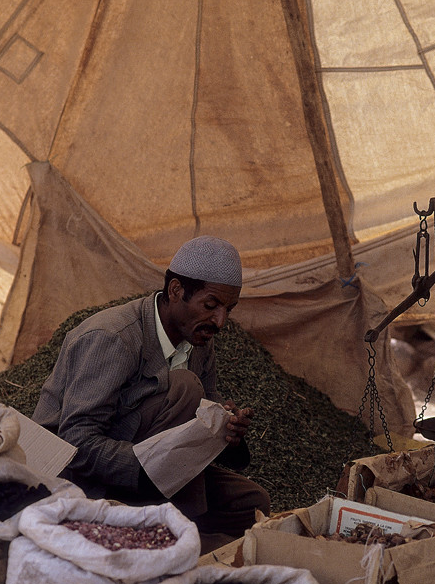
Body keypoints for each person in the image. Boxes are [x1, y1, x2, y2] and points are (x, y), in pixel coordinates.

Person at [32, 236, 271, 551]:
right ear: (175, 291)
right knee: (186, 388)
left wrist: (227, 432)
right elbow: (76, 442)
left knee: (252, 504)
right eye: (211, 306)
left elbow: (198, 424)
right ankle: (160, 532)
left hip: (158, 470)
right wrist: (146, 469)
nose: (220, 321)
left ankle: (169, 530)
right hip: (79, 479)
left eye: (229, 308)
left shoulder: (200, 341)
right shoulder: (113, 337)